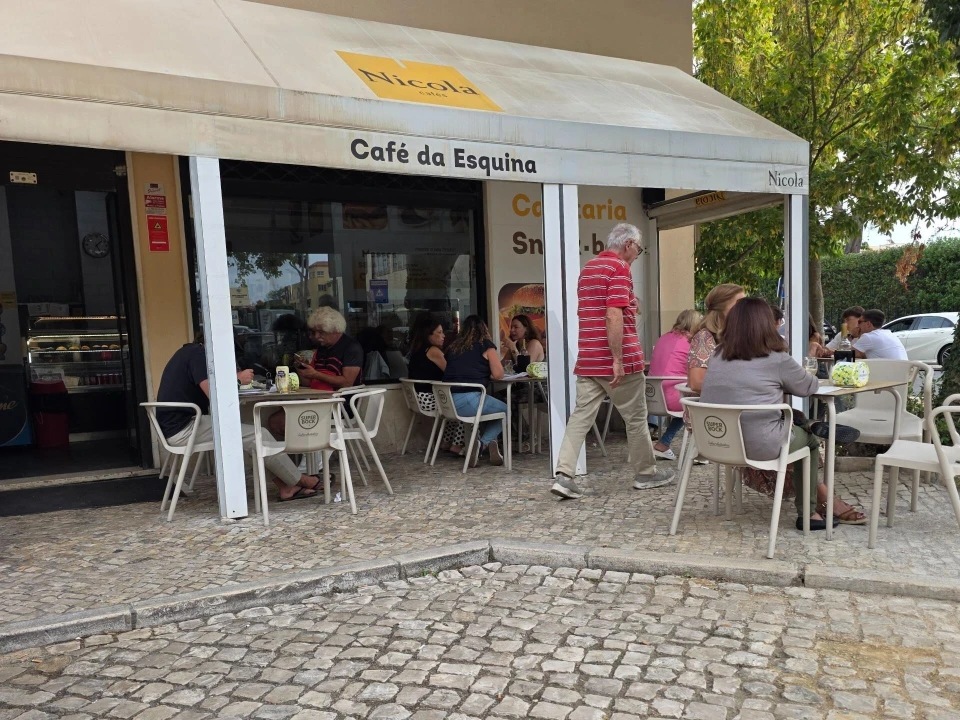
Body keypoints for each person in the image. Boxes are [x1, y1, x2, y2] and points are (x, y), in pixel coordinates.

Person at [700, 299, 867, 529]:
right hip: (759, 444)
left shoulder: (718, 355)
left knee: (786, 415)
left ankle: (806, 423)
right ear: (767, 325)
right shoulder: (776, 359)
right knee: (808, 442)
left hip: (717, 441)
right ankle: (809, 515)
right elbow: (809, 387)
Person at [550, 223, 673, 500]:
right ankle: (646, 473)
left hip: (588, 357)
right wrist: (617, 359)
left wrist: (631, 302)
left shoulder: (589, 269)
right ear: (629, 244)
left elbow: (606, 307)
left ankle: (564, 474)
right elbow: (612, 315)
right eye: (638, 250)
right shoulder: (619, 268)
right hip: (619, 360)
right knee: (637, 417)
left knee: (581, 415)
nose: (637, 255)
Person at [156, 333, 323, 501]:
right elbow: (215, 397)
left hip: (179, 425)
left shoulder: (188, 352)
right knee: (258, 434)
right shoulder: (198, 355)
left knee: (251, 431)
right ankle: (301, 480)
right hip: (184, 428)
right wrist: (237, 379)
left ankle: (288, 486)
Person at [442, 315, 507, 466]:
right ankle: (481, 444)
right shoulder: (486, 345)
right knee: (505, 411)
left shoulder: (453, 347)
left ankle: (492, 446)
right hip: (471, 401)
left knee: (489, 410)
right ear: (484, 329)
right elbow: (499, 374)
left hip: (449, 402)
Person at [407, 313, 465, 455]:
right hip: (428, 399)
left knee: (453, 402)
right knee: (463, 404)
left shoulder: (417, 351)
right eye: (439, 333)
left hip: (419, 398)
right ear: (429, 335)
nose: (443, 335)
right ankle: (457, 444)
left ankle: (446, 442)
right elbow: (451, 373)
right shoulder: (433, 351)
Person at [649, 309, 702, 460]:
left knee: (690, 400)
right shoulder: (690, 343)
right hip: (672, 398)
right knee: (699, 403)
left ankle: (665, 444)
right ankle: (701, 451)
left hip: (653, 397)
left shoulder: (663, 337)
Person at [687, 284, 746, 393]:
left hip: (734, 404)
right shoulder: (704, 337)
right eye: (740, 304)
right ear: (723, 307)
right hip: (712, 407)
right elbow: (696, 383)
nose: (746, 308)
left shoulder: (737, 335)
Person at [295, 307, 364, 391]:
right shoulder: (321, 348)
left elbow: (347, 383)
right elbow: (307, 383)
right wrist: (302, 367)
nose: (316, 336)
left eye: (321, 332)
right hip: (319, 399)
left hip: (341, 401)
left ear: (335, 330)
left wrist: (316, 375)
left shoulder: (351, 348)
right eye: (314, 332)